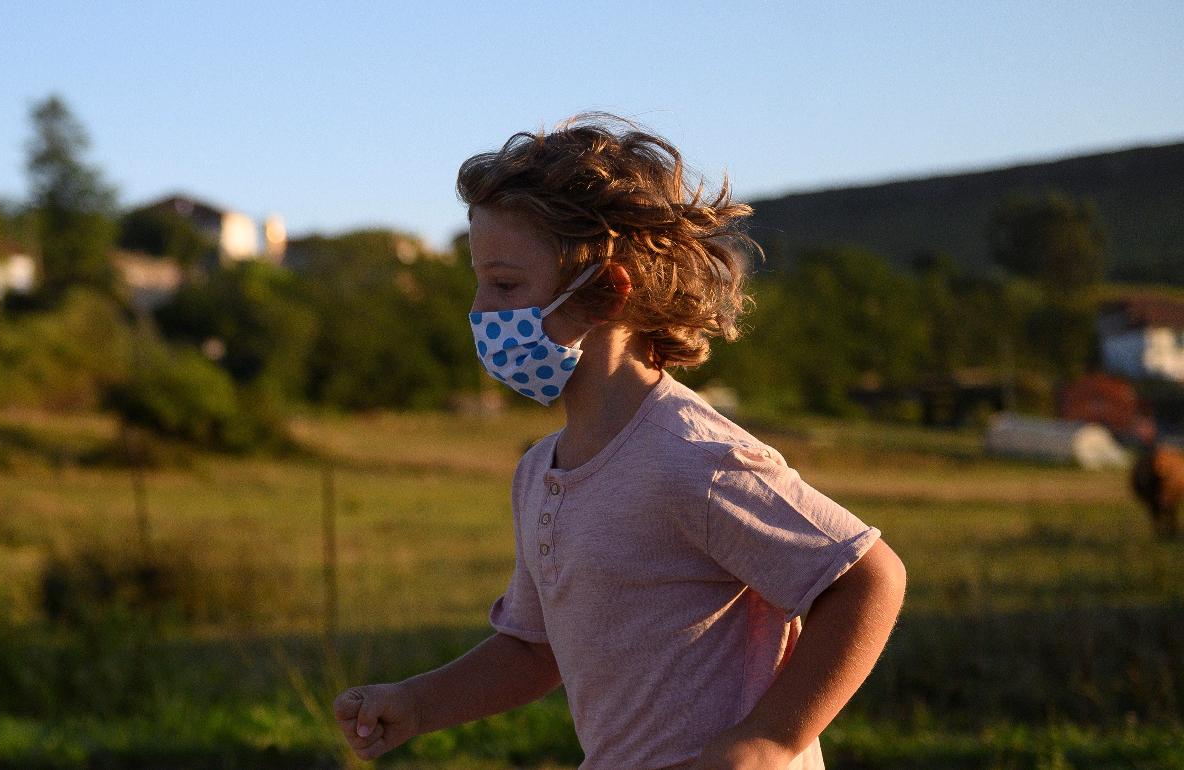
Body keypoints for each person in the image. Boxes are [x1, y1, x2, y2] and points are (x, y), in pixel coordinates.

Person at [333, 113, 907, 769]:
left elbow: (867, 579)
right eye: (479, 281)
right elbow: (534, 650)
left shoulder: (696, 458)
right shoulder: (538, 471)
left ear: (606, 292)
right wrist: (417, 703)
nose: (479, 311)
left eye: (506, 284)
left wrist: (771, 740)